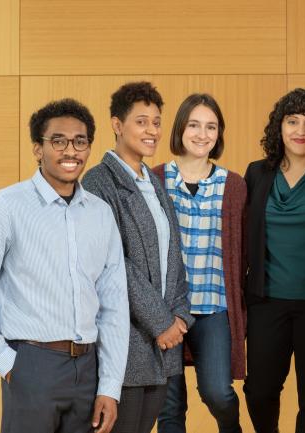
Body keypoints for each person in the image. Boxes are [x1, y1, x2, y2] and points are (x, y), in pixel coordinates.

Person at [0, 98, 130, 433]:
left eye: (80, 141)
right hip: (32, 364)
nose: (71, 151)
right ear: (38, 148)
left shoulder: (100, 213)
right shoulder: (5, 207)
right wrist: (7, 364)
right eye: (58, 141)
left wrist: (109, 386)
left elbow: (114, 306)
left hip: (89, 368)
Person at [81, 81, 194, 433]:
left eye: (157, 122)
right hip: (127, 340)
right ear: (118, 125)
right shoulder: (99, 182)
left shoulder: (153, 181)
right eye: (142, 121)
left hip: (162, 342)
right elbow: (114, 265)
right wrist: (160, 321)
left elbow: (174, 254)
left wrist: (179, 315)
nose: (152, 131)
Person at [243, 88, 305, 433]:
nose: (301, 130)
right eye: (293, 121)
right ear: (279, 127)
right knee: (259, 390)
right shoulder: (257, 174)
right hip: (266, 301)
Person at [153, 93, 246, 433]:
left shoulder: (233, 185)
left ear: (219, 134)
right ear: (180, 129)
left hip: (213, 307)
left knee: (218, 392)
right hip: (166, 312)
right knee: (170, 403)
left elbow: (243, 251)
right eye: (194, 125)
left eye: (211, 127)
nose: (202, 134)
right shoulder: (155, 180)